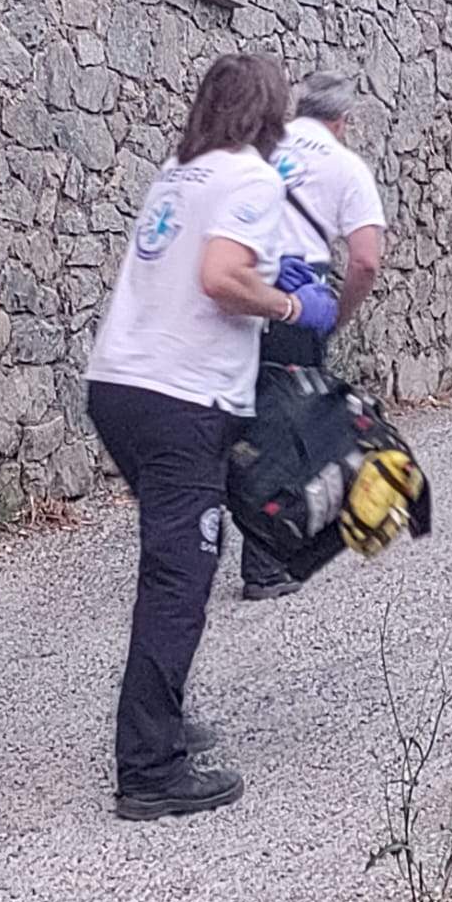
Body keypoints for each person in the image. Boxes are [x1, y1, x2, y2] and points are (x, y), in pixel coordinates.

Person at [85, 53, 339, 822]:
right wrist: (290, 307)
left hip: (121, 386)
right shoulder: (252, 178)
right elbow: (221, 278)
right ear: (270, 114)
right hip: (182, 396)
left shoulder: (178, 172)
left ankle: (160, 719)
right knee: (179, 576)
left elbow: (203, 265)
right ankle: (150, 769)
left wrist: (270, 273)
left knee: (179, 557)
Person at [242, 70, 388, 601]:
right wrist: (335, 316)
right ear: (342, 120)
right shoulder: (345, 167)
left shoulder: (257, 148)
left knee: (229, 413)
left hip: (236, 285)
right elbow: (366, 261)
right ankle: (264, 564)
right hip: (298, 296)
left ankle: (191, 546)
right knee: (284, 426)